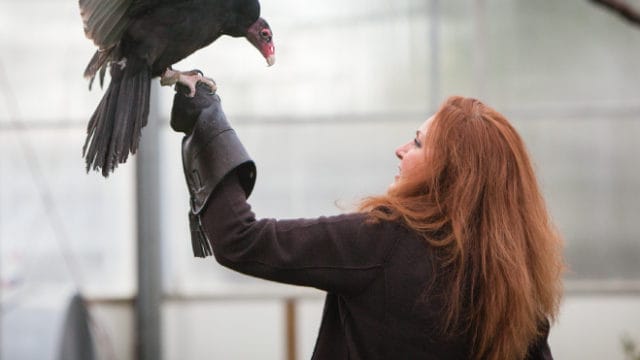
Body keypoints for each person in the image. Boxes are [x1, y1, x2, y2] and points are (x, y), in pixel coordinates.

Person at [170, 82, 564, 360]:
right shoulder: (513, 279)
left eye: (418, 142)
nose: (400, 149)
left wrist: (212, 130)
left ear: (451, 170)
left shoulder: (384, 241)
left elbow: (241, 239)